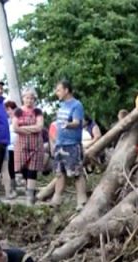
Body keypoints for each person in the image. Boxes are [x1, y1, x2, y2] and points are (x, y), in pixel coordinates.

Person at [51, 79, 88, 208]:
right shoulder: (61, 105)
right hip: (60, 144)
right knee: (59, 173)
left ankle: (81, 201)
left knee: (76, 173)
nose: (57, 93)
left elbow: (78, 122)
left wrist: (68, 124)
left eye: (59, 90)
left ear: (66, 90)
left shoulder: (77, 105)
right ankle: (56, 200)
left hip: (72, 144)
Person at [13, 87, 47, 205]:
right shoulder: (18, 111)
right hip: (21, 144)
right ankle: (30, 189)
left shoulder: (37, 111)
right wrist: (30, 129)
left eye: (32, 98)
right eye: (27, 98)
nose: (29, 100)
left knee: (33, 169)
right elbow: (15, 128)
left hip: (36, 143)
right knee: (22, 168)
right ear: (23, 98)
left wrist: (23, 128)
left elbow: (39, 127)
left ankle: (30, 196)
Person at [4, 99, 19, 199]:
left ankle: (15, 187)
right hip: (7, 147)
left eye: (10, 109)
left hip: (16, 146)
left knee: (14, 167)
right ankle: (11, 187)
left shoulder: (18, 119)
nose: (8, 112)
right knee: (9, 168)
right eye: (7, 110)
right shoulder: (6, 120)